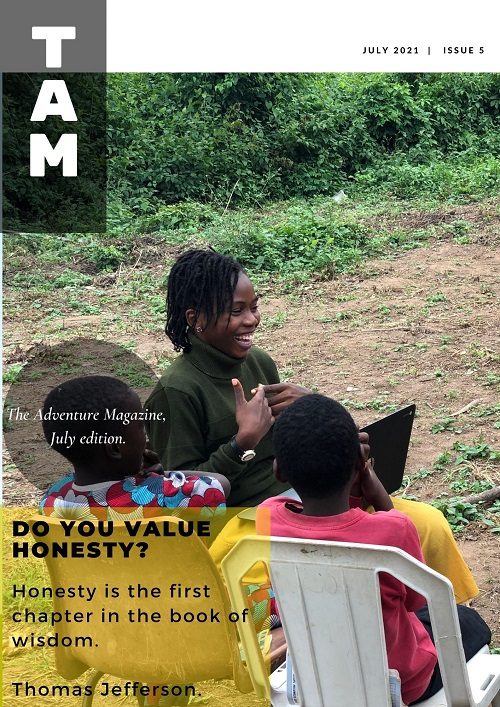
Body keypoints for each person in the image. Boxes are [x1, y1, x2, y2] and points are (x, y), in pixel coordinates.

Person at [146, 248, 479, 603]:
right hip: (247, 530)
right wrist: (240, 445)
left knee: (429, 524)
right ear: (196, 319)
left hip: (310, 501)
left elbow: (295, 447)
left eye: (254, 307)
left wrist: (312, 405)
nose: (252, 320)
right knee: (371, 554)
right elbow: (182, 507)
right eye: (236, 311)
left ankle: (450, 628)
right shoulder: (176, 392)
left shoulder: (258, 362)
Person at [256, 394, 491, 705]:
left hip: (317, 674)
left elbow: (325, 525)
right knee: (468, 621)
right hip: (402, 683)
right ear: (359, 464)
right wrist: (379, 496)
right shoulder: (392, 530)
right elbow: (416, 602)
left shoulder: (265, 517)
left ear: (279, 472)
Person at [40, 375, 228, 520]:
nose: (145, 435)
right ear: (115, 448)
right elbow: (221, 484)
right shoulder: (166, 497)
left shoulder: (51, 501)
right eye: (140, 426)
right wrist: (163, 476)